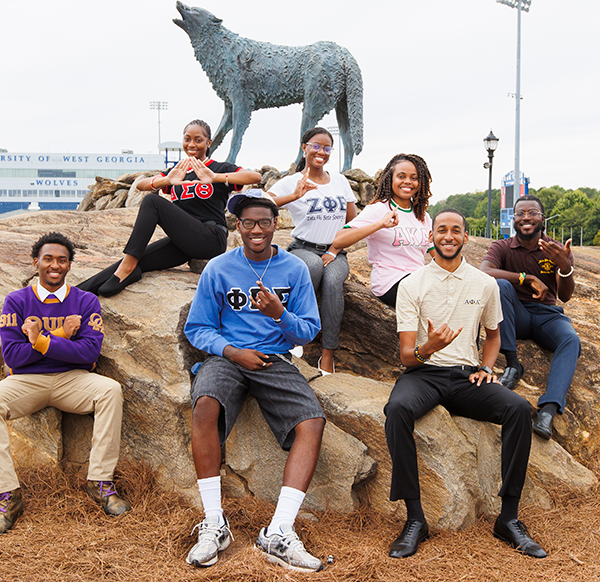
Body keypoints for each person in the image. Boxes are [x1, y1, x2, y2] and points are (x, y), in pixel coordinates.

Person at [384, 209, 546, 559]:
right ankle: (415, 519)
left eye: (455, 230)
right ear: (431, 237)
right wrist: (429, 348)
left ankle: (509, 518)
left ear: (465, 237)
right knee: (397, 409)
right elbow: (406, 357)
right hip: (424, 373)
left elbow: (493, 334)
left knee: (518, 409)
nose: (448, 236)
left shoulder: (484, 284)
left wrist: (487, 366)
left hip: (464, 376)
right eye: (441, 230)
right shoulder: (412, 284)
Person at [183, 190, 327, 572]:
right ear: (238, 226)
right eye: (249, 223)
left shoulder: (294, 269)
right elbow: (197, 327)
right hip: (228, 356)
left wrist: (280, 314)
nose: (257, 229)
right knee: (204, 404)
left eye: (264, 222)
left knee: (311, 421)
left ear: (275, 224)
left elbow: (308, 332)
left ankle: (279, 531)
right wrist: (232, 351)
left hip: (274, 359)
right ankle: (214, 522)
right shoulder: (218, 268)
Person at [0, 232, 131, 537]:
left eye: (62, 259)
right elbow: (14, 357)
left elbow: (89, 353)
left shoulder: (85, 301)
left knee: (110, 390)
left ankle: (100, 482)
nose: (54, 265)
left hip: (72, 379)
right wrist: (59, 334)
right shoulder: (16, 301)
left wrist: (39, 340)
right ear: (36, 262)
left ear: (70, 265)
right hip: (26, 381)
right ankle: (7, 497)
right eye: (48, 258)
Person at [78, 119, 262, 297]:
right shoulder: (178, 171)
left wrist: (216, 177)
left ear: (208, 142)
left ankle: (127, 267)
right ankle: (75, 295)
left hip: (210, 238)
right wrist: (167, 180)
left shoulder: (218, 168)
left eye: (198, 140)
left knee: (152, 201)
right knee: (134, 259)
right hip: (182, 242)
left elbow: (254, 177)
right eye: (187, 138)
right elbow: (141, 184)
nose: (192, 144)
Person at [479, 194, 580, 440]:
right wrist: (525, 278)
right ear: (513, 219)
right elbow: (484, 272)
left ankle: (548, 410)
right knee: (500, 285)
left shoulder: (555, 249)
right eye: (520, 213)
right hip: (516, 316)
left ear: (542, 219)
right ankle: (514, 364)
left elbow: (565, 296)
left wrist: (564, 267)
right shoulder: (501, 247)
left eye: (533, 213)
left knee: (571, 341)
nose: (526, 218)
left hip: (547, 316)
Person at [268, 127, 357, 375]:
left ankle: (327, 353)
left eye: (327, 148)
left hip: (336, 252)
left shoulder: (340, 181)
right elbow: (260, 201)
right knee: (314, 266)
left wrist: (336, 247)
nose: (321, 152)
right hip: (303, 248)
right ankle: (296, 336)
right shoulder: (290, 181)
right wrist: (294, 195)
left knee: (333, 281)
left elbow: (353, 221)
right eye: (316, 146)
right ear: (304, 147)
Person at [331, 153, 434, 307]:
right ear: (390, 179)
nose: (408, 181)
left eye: (414, 178)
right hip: (390, 283)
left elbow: (436, 256)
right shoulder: (378, 209)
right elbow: (339, 240)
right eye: (401, 176)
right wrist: (380, 224)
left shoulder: (423, 216)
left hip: (418, 279)